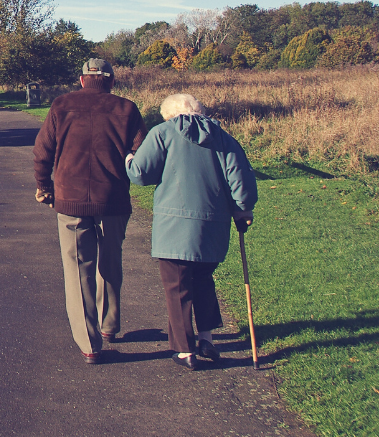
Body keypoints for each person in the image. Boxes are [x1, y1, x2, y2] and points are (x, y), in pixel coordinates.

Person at [126, 93, 257, 370]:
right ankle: (206, 338)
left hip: (174, 226)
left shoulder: (163, 133)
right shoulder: (224, 138)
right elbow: (241, 183)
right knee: (203, 279)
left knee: (177, 286)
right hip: (214, 227)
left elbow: (140, 174)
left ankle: (185, 350)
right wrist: (243, 210)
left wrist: (129, 159)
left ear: (169, 115)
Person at [32, 58, 147, 364]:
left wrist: (44, 187)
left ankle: (89, 344)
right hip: (113, 199)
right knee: (111, 262)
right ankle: (109, 325)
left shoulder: (61, 105)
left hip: (70, 200)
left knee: (77, 270)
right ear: (111, 81)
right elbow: (141, 153)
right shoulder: (127, 109)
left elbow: (42, 151)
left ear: (82, 80)